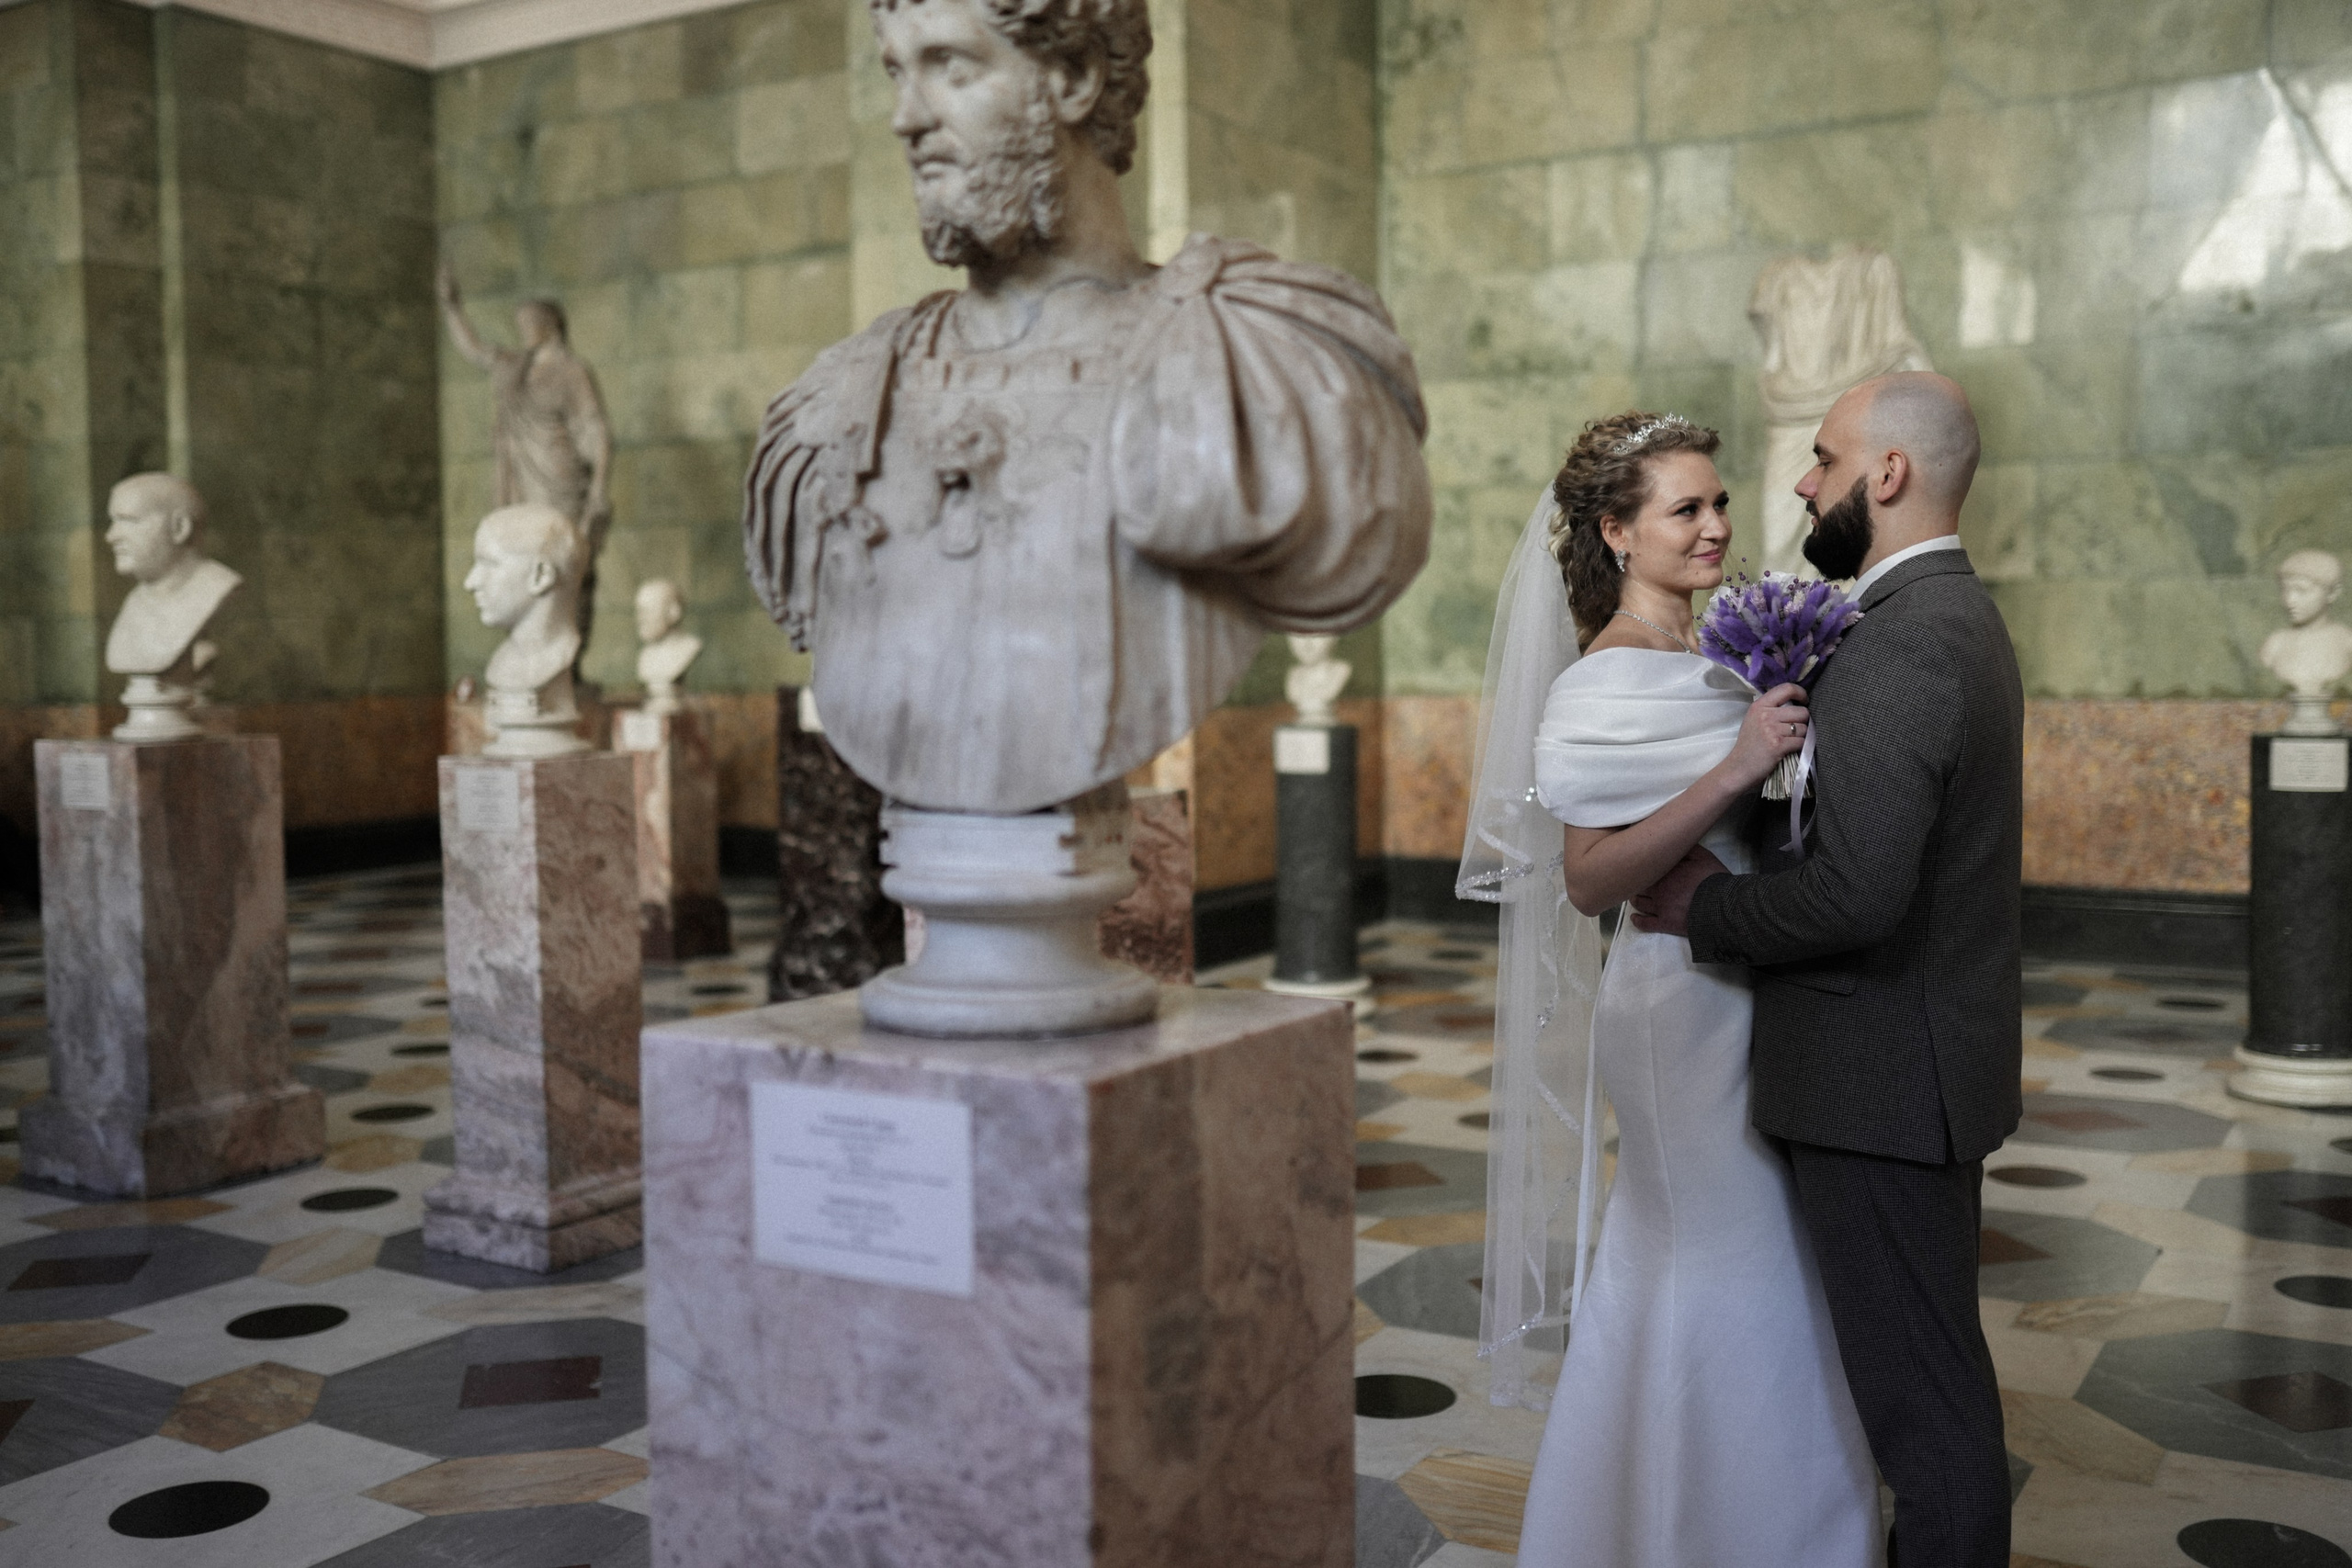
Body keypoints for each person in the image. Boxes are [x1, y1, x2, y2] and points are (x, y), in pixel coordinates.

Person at [741, 0, 1429, 817]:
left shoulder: (1261, 360)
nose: (907, 119)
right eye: (897, 72)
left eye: (951, 67)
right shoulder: (839, 401)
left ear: (1073, 77)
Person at [1462, 411, 1883, 1568]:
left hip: (1757, 978)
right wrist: (1737, 766)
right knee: (1719, 1250)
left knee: (1765, 1259)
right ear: (1616, 532)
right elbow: (1591, 880)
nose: (1714, 527)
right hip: (1676, 1006)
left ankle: (1708, 1519)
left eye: (1718, 503)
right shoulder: (1600, 681)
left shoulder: (1719, 652)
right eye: (1683, 509)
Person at [1634, 373, 2022, 1568]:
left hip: (1881, 1079)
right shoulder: (1951, 616)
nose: (1803, 484)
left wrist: (1708, 907)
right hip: (1914, 1066)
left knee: (1927, 1417)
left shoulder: (1902, 642)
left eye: (1822, 457)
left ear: (1887, 473)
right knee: (1929, 1387)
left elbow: (1860, 892)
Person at [438, 265, 614, 660]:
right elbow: (476, 351)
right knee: (516, 569)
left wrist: (599, 490)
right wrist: (452, 308)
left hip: (560, 481)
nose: (524, 330)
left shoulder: (571, 371)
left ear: (551, 326)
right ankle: (531, 653)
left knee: (568, 568)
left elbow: (596, 431)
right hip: (520, 483)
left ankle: (569, 664)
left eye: (530, 323)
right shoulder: (514, 367)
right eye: (520, 324)